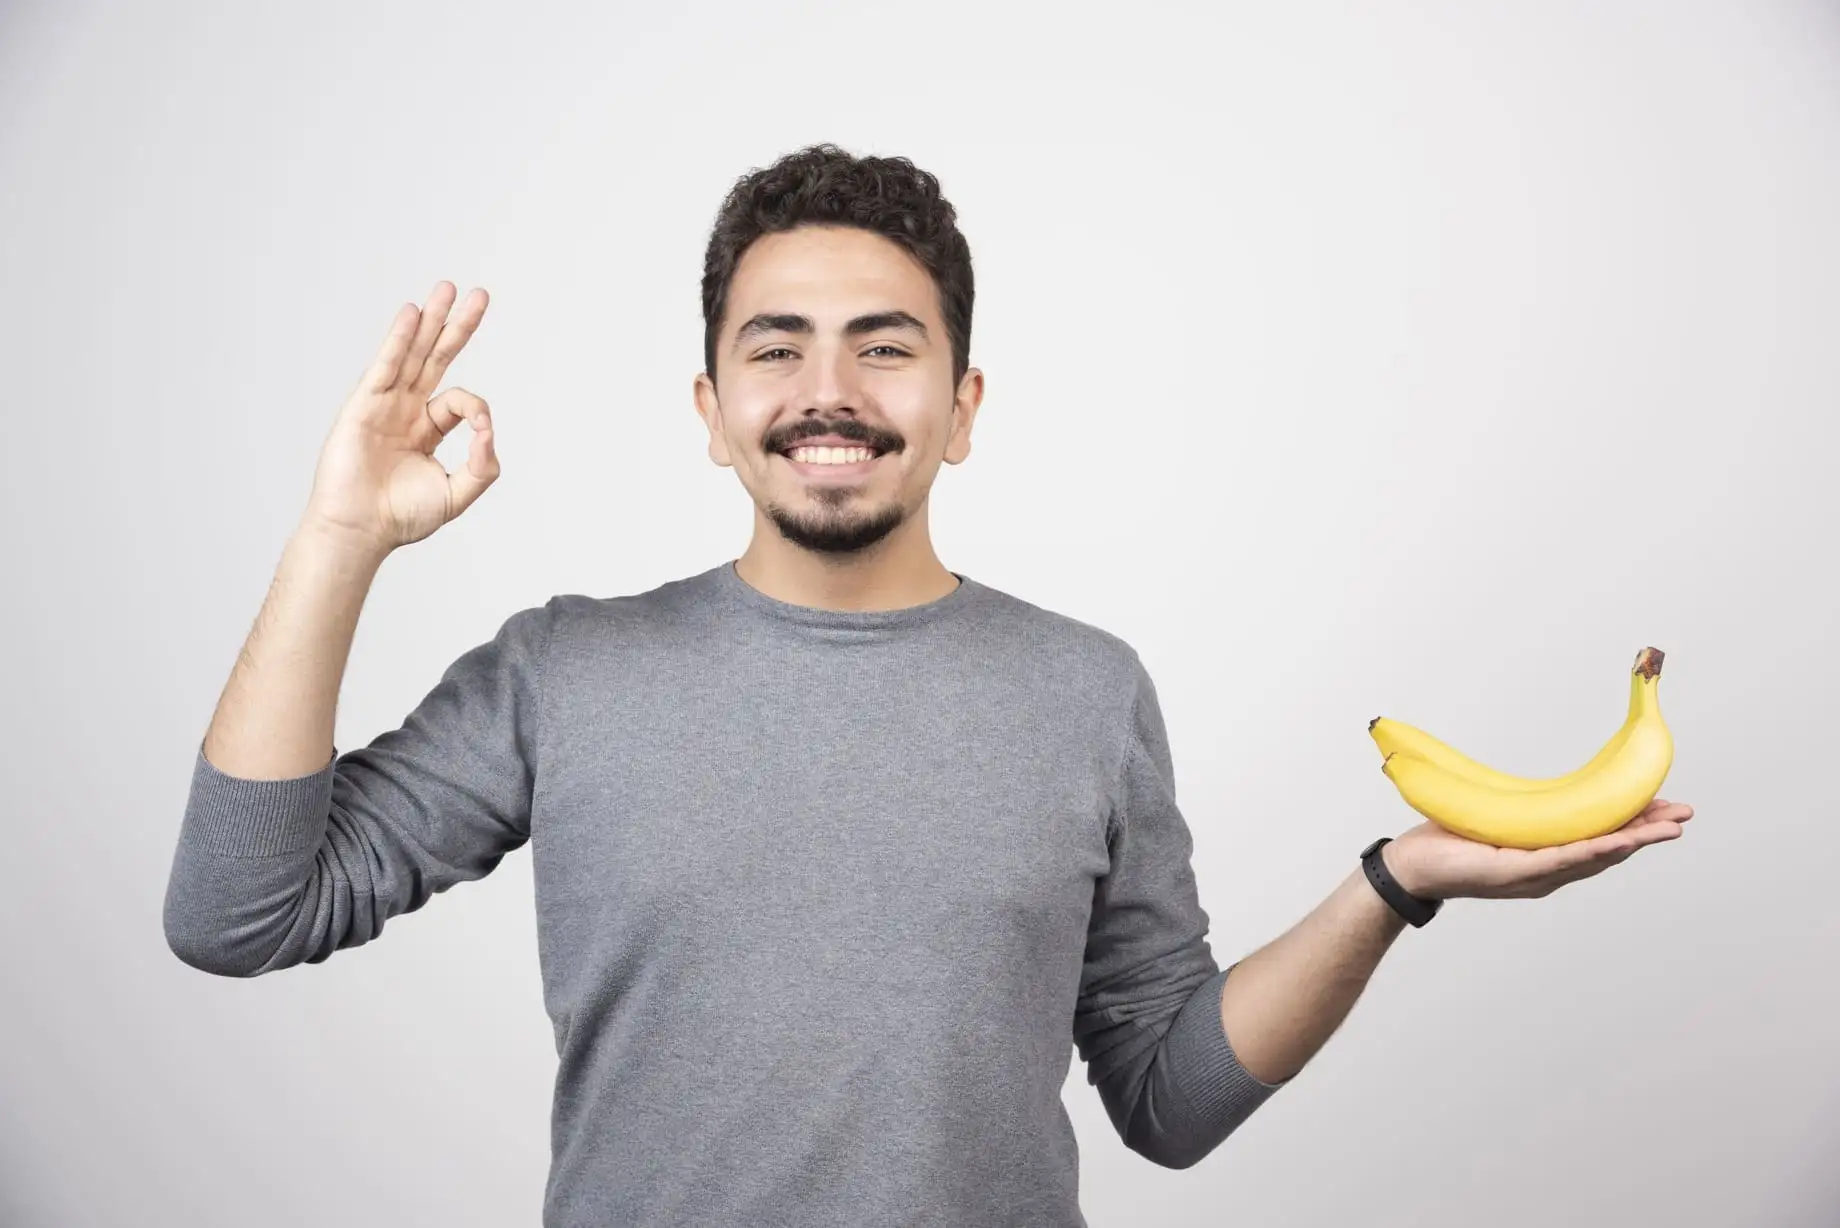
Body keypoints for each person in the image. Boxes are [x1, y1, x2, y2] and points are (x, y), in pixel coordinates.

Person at [162, 144, 1694, 1227]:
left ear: (961, 409)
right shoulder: (564, 672)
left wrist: (1393, 881)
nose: (828, 391)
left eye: (883, 349)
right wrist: (341, 537)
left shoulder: (1086, 693)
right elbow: (237, 914)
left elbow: (1166, 1102)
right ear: (712, 410)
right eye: (779, 348)